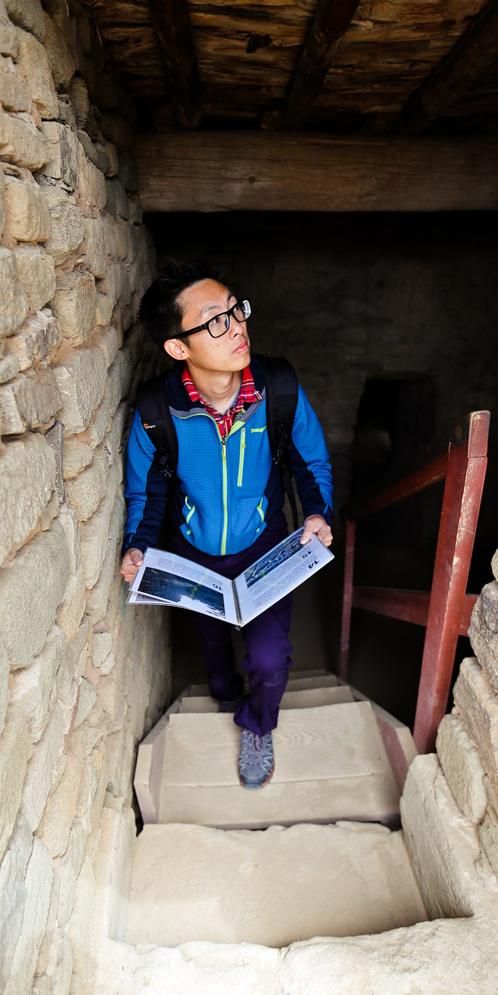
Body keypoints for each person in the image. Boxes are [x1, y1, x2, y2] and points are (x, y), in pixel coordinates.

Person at [120, 259, 333, 789]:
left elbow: (312, 463)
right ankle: (221, 689)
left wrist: (315, 513)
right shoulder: (155, 410)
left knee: (269, 657)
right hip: (191, 550)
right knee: (213, 642)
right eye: (214, 320)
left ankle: (257, 723)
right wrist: (138, 547)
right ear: (178, 347)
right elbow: (145, 489)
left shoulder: (278, 388)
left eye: (235, 309)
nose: (236, 325)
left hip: (264, 546)